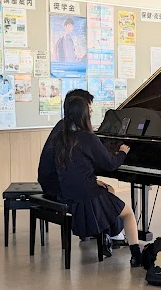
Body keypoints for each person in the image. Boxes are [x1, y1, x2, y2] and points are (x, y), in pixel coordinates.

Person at [53, 96, 143, 267]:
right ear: (83, 114)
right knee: (128, 214)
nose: (92, 111)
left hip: (69, 194)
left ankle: (108, 235)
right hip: (88, 196)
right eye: (89, 109)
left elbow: (75, 169)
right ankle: (136, 255)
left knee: (109, 189)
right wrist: (122, 152)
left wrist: (93, 180)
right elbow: (111, 164)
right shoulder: (88, 138)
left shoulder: (61, 137)